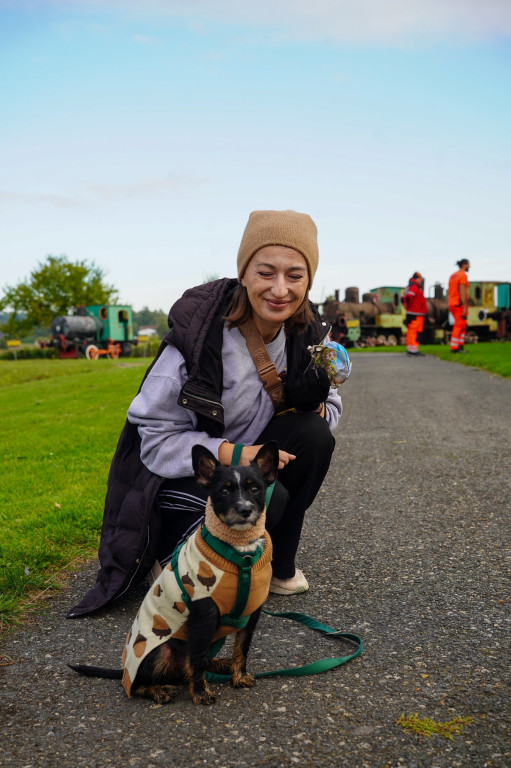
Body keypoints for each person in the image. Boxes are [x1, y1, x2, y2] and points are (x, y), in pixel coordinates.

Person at [68, 210, 343, 618]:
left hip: (245, 460)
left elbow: (331, 409)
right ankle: (175, 555)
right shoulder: (197, 340)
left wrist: (313, 398)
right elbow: (155, 440)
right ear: (244, 274)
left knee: (315, 433)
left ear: (309, 279)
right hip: (185, 474)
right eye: (266, 272)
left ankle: (277, 563)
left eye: (295, 276)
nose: (280, 289)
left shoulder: (309, 333)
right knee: (272, 493)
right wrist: (236, 454)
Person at [402, 272, 428, 356]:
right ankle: (414, 350)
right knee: (415, 331)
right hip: (416, 313)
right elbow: (409, 297)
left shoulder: (409, 286)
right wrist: (409, 306)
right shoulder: (414, 286)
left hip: (412, 312)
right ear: (417, 278)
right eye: (420, 279)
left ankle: (411, 348)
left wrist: (407, 307)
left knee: (411, 331)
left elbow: (403, 298)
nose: (421, 280)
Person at [448, 259, 470, 352]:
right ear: (464, 265)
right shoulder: (463, 275)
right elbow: (462, 291)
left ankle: (460, 346)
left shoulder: (453, 275)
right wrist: (465, 306)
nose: (469, 267)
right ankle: (455, 347)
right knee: (459, 325)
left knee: (462, 325)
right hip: (459, 304)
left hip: (452, 303)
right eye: (468, 265)